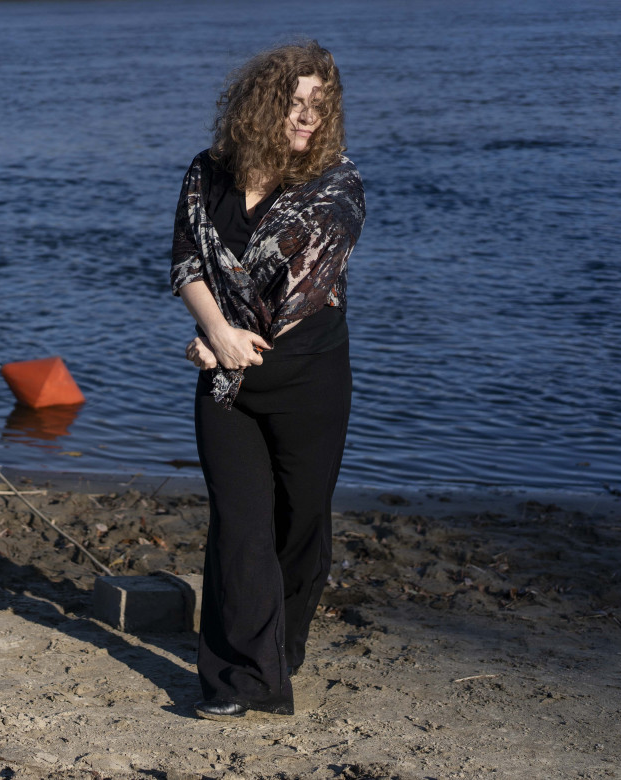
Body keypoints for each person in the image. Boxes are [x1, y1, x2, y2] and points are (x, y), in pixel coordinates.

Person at [169, 40, 365, 721]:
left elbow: (301, 298)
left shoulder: (335, 186)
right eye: (295, 104)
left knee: (299, 525)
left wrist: (223, 346)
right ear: (261, 104)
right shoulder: (207, 173)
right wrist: (216, 336)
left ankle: (285, 639)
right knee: (239, 528)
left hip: (309, 378)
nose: (308, 118)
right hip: (227, 385)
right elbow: (187, 262)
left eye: (319, 107)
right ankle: (238, 681)